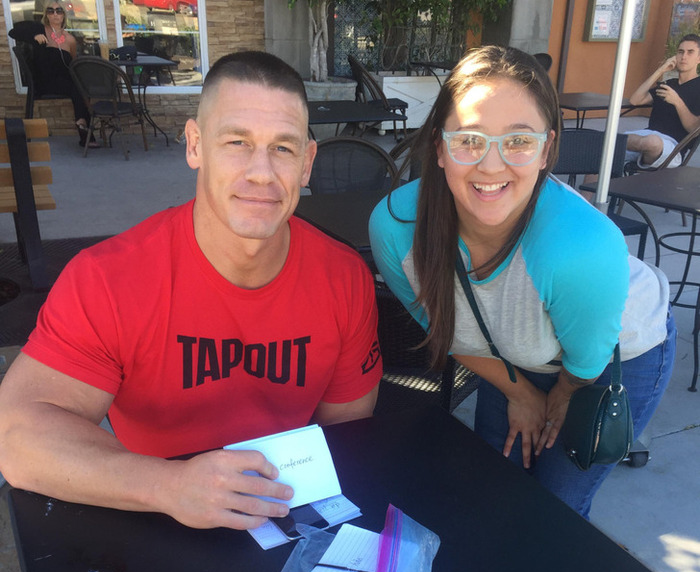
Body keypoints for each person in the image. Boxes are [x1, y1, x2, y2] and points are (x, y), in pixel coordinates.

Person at [0, 51, 382, 530]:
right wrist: (170, 486)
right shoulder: (110, 279)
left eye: (283, 148)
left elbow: (349, 433)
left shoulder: (343, 277)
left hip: (289, 507)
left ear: (307, 164)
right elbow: (17, 437)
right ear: (195, 145)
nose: (262, 172)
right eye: (237, 142)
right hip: (149, 511)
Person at [369, 45, 675, 519]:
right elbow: (442, 327)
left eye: (517, 140)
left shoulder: (580, 248)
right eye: (469, 138)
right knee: (495, 487)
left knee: (554, 509)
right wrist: (521, 392)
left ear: (546, 149)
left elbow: (585, 363)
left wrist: (556, 397)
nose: (491, 166)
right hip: (510, 352)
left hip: (609, 357)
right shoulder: (396, 229)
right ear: (439, 147)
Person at [9, 1, 98, 148]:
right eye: (51, 11)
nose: (55, 14)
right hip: (44, 81)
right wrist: (33, 36)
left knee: (81, 86)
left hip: (64, 81)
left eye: (59, 11)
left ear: (64, 15)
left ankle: (83, 125)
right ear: (46, 15)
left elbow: (73, 64)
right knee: (78, 88)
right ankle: (85, 130)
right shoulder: (39, 29)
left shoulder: (70, 39)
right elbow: (13, 32)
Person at [626, 34, 700, 168]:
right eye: (680, 52)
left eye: (690, 52)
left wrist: (677, 101)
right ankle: (609, 143)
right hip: (645, 137)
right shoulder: (669, 84)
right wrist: (660, 70)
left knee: (652, 142)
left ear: (698, 58)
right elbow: (635, 100)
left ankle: (615, 142)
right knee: (600, 153)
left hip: (673, 148)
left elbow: (694, 129)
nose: (683, 56)